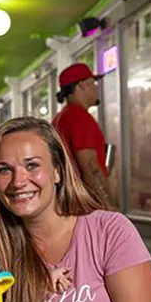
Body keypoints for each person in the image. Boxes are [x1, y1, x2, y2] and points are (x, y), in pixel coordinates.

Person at [0, 117, 151, 302]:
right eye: (4, 169)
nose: (18, 181)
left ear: (57, 171)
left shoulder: (110, 231)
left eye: (32, 165)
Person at [51, 63, 113, 208]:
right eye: (93, 83)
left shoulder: (60, 118)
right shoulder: (79, 117)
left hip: (68, 201)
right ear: (82, 86)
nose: (96, 88)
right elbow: (90, 166)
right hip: (84, 205)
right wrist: (107, 206)